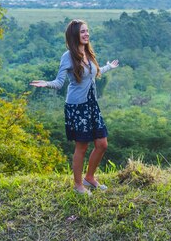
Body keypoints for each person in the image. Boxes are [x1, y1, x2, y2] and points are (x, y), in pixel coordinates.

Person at [30, 19, 119, 195]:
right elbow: (59, 82)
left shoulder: (88, 52)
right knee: (82, 146)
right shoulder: (68, 56)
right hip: (77, 107)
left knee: (102, 143)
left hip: (92, 105)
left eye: (87, 31)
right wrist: (46, 83)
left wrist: (109, 67)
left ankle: (90, 178)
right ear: (74, 35)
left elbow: (94, 73)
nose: (86, 34)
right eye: (82, 32)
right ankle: (78, 185)